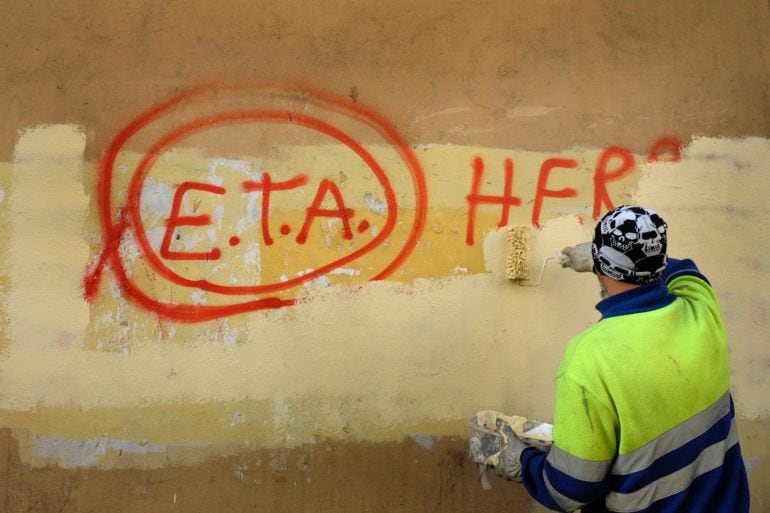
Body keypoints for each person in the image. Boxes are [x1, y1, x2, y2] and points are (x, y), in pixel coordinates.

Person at [491, 205, 750, 512]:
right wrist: (611, 258)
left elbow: (571, 490)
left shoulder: (589, 358)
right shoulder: (700, 307)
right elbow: (684, 269)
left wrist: (519, 460)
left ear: (599, 268)